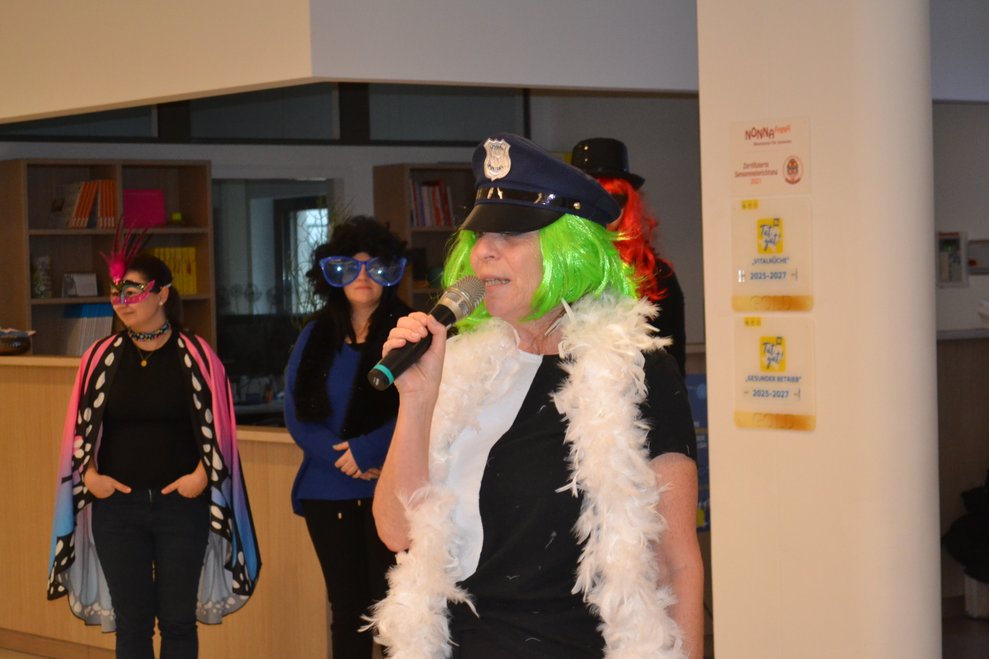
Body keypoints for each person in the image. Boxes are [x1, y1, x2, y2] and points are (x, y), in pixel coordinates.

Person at [368, 134, 704, 658]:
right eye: (480, 235)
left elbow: (675, 563)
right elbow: (397, 531)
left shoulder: (635, 371)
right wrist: (416, 398)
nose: (485, 250)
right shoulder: (460, 367)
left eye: (511, 234)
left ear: (568, 250)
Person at [47, 234, 261, 659]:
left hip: (181, 507)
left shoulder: (198, 356)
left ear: (162, 294)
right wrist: (91, 476)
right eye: (116, 293)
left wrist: (201, 477)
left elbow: (220, 429)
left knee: (178, 622)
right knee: (132, 624)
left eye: (132, 291)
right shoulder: (98, 358)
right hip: (116, 509)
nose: (122, 301)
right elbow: (80, 430)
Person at [284, 217, 412, 658]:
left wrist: (367, 450)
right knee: (347, 611)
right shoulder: (315, 334)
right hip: (328, 489)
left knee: (396, 611)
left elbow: (424, 405)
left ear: (390, 272)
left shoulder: (409, 331)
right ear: (332, 273)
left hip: (391, 487)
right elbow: (296, 414)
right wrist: (345, 457)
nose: (362, 277)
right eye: (351, 267)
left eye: (374, 266)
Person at [571, 137, 688, 378]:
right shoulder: (549, 270)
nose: (602, 211)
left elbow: (673, 366)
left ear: (629, 205)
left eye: (614, 200)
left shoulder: (658, 276)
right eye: (590, 200)